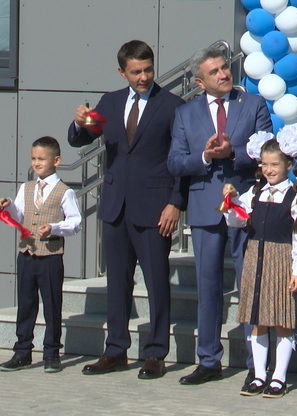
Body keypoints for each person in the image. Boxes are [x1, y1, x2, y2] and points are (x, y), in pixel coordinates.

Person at [68, 40, 187, 379]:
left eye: (148, 69)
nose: (144, 76)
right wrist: (80, 123)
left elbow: (179, 161)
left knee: (156, 284)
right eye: (136, 71)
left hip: (155, 208)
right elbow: (82, 140)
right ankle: (116, 349)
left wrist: (175, 202)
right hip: (116, 206)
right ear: (122, 72)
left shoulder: (172, 105)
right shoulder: (111, 101)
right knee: (117, 283)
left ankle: (155, 353)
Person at [168, 45, 272, 388]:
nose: (224, 74)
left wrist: (235, 153)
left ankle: (256, 366)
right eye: (214, 72)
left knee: (250, 286)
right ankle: (208, 360)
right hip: (204, 207)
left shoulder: (253, 104)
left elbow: (269, 152)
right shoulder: (186, 113)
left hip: (246, 206)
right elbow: (175, 162)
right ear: (200, 81)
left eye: (224, 68)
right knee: (208, 286)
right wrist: (204, 156)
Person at [223, 129, 297, 398]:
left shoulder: (296, 197)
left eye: (275, 165)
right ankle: (259, 375)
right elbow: (239, 219)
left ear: (288, 165)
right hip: (255, 257)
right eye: (265, 165)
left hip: (281, 259)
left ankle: (279, 376)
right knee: (257, 319)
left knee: (282, 318)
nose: (269, 170)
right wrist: (231, 202)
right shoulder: (255, 192)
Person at [0, 137, 82, 373]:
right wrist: (8, 207)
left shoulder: (64, 192)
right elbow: (19, 214)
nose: (36, 163)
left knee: (52, 305)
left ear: (56, 161)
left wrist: (55, 227)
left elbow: (76, 222)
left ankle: (51, 352)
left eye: (41, 159)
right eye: (33, 158)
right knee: (25, 304)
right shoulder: (26, 187)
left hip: (51, 256)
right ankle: (22, 351)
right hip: (27, 253)